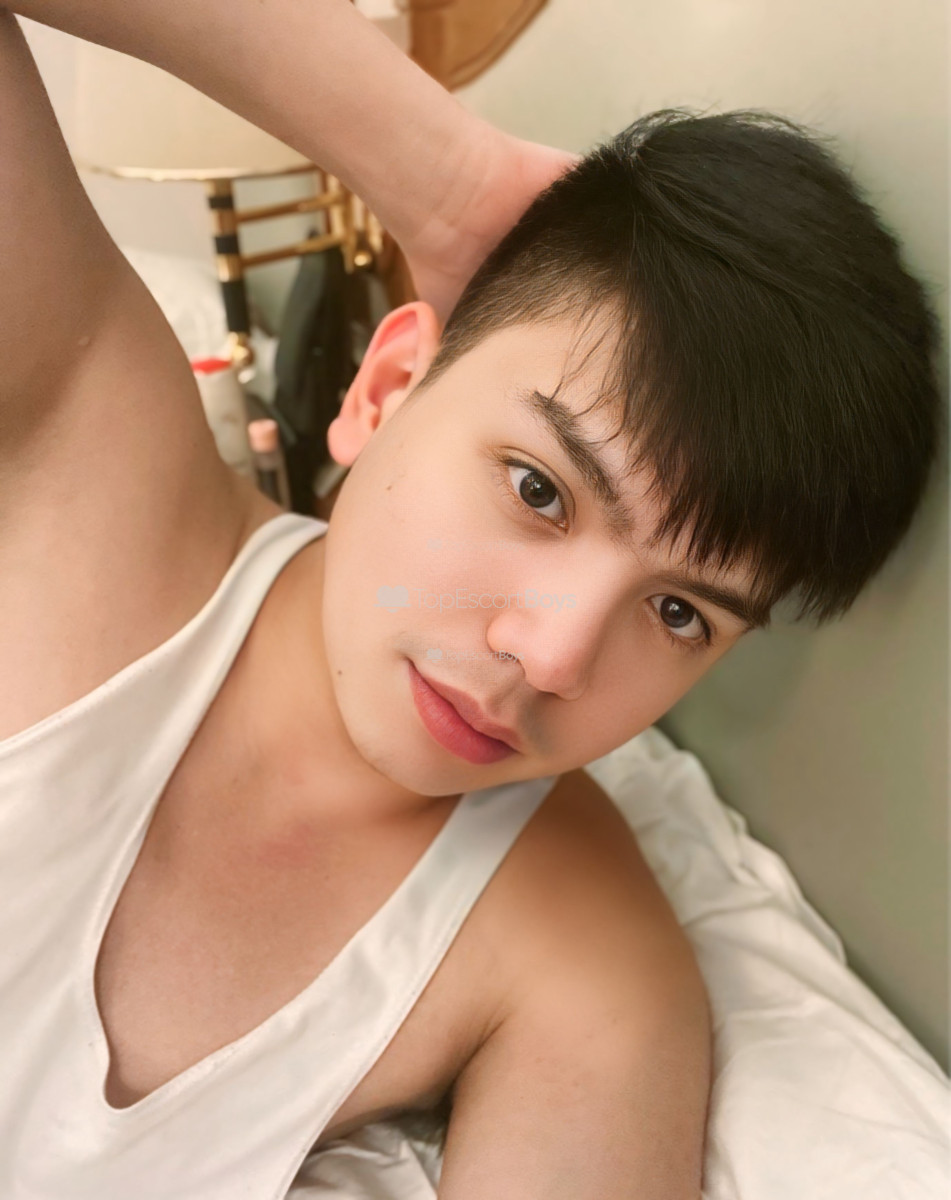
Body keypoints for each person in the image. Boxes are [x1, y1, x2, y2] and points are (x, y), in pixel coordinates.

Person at [0, 1, 941, 1198]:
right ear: (387, 386)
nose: (553, 658)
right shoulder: (96, 470)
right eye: (539, 489)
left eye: (679, 614)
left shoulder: (584, 963)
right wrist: (445, 182)